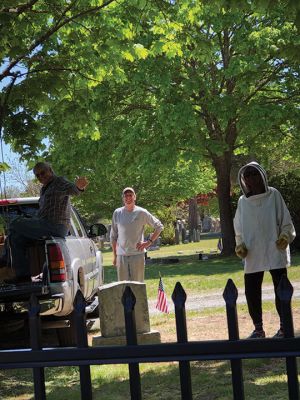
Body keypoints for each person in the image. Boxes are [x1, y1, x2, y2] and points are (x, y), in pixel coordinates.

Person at [233, 161, 296, 339]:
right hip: (252, 251)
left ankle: (284, 327)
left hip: (274, 247)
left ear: (261, 175)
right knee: (251, 290)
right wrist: (240, 245)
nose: (251, 177)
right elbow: (238, 227)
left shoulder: (274, 195)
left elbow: (285, 220)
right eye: (247, 175)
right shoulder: (242, 202)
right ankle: (258, 329)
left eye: (254, 173)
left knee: (281, 288)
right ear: (243, 180)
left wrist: (285, 237)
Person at [2, 161, 88, 284]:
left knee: (14, 223)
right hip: (43, 225)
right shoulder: (43, 189)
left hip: (55, 226)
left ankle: (5, 259)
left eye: (43, 173)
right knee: (15, 238)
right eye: (38, 175)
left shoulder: (59, 182)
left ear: (50, 170)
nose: (41, 177)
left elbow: (74, 190)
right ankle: (23, 276)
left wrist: (79, 187)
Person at [110, 187, 163, 282]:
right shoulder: (117, 213)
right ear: (123, 198)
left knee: (138, 286)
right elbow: (113, 236)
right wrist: (115, 256)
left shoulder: (142, 212)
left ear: (135, 197)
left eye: (130, 195)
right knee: (123, 287)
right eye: (125, 195)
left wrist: (148, 242)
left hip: (137, 255)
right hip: (121, 256)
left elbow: (159, 226)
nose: (128, 197)